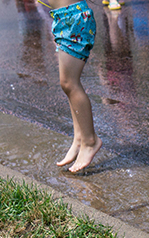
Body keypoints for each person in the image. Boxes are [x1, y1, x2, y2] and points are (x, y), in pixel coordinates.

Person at [46, 0, 102, 173]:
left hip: (74, 19)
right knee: (68, 84)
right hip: (64, 17)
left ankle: (90, 141)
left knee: (70, 83)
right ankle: (80, 138)